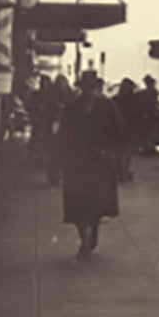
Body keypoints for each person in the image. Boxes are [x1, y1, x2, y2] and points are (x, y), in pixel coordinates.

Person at [57, 70, 126, 259]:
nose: (88, 90)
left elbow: (117, 132)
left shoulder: (106, 106)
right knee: (77, 203)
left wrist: (116, 156)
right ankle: (85, 239)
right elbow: (63, 136)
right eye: (85, 86)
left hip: (99, 161)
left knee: (95, 202)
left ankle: (90, 234)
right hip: (78, 161)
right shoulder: (72, 108)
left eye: (91, 86)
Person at [113, 77, 140, 181]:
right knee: (127, 152)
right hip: (129, 128)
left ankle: (121, 171)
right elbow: (137, 114)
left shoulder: (115, 100)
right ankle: (124, 171)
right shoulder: (135, 100)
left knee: (119, 152)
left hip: (119, 128)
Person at [133, 75, 159, 155]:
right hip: (149, 115)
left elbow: (151, 104)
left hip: (149, 115)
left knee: (148, 133)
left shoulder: (151, 92)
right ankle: (148, 147)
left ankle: (148, 147)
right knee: (148, 133)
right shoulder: (151, 92)